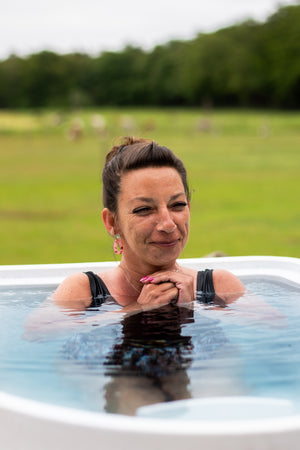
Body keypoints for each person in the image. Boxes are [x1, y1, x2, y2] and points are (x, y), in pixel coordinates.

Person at [52, 136, 245, 312]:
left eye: (177, 205)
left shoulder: (220, 286)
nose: (168, 224)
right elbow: (38, 336)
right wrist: (137, 308)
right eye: (144, 209)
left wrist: (191, 308)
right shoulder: (83, 291)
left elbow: (269, 334)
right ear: (112, 222)